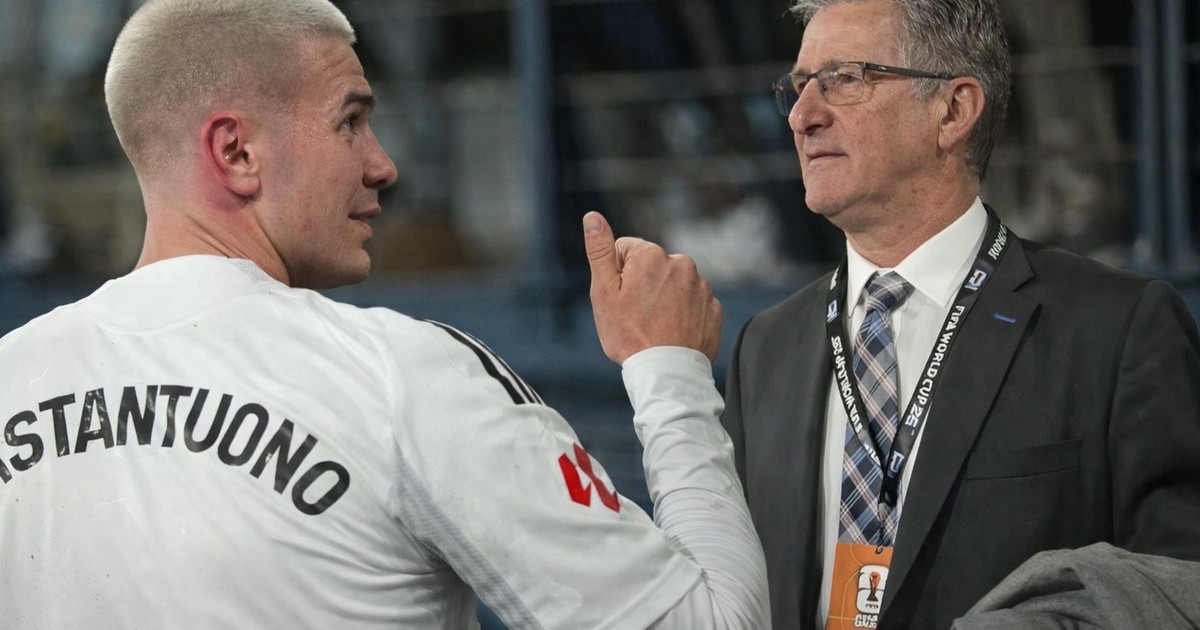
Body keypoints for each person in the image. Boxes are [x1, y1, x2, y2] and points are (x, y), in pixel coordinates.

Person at [0, 1, 770, 628]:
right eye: (350, 121)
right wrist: (671, 373)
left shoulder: (12, 375)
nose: (383, 164)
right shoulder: (399, 375)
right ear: (236, 152)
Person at [720, 0, 1200, 629]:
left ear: (953, 110)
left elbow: (1177, 592)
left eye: (843, 79)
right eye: (800, 85)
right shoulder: (766, 347)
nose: (802, 116)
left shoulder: (1117, 329)